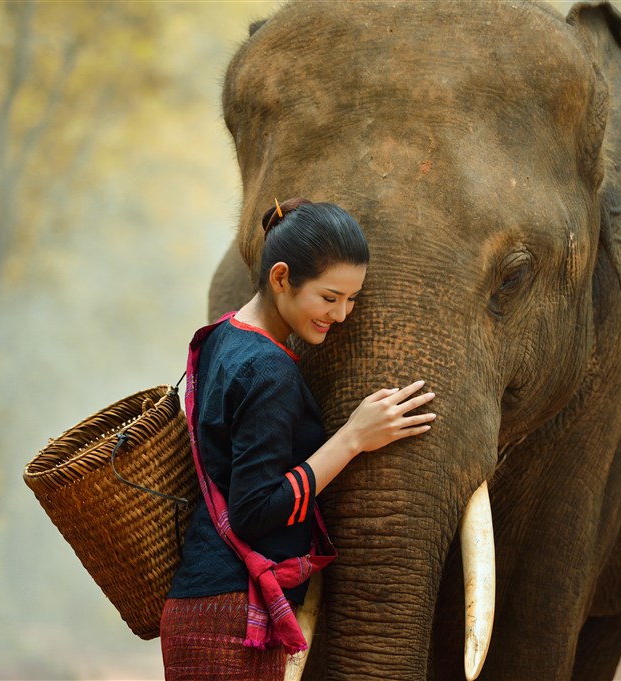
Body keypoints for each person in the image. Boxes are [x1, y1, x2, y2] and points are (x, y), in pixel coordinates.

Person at [160, 198, 436, 680]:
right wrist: (352, 438)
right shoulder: (269, 370)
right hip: (229, 617)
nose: (343, 314)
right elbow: (252, 512)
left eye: (351, 299)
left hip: (200, 603)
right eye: (329, 298)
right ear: (281, 277)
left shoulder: (224, 335)